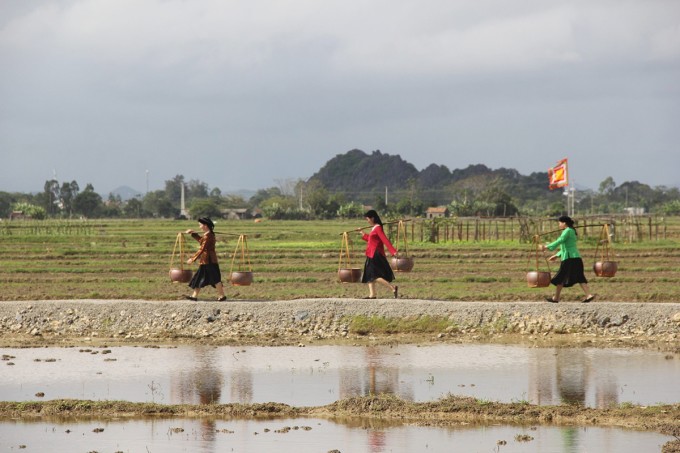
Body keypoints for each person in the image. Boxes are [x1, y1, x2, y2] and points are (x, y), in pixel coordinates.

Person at [541, 215, 595, 303]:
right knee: (578, 277)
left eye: (560, 223)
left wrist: (546, 247)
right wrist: (557, 255)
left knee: (561, 277)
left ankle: (556, 298)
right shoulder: (571, 230)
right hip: (575, 257)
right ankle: (588, 295)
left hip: (569, 258)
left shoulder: (567, 231)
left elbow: (560, 240)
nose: (559, 225)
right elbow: (566, 247)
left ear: (564, 223)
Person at [357, 210, 399, 299]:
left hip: (375, 254)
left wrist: (393, 251)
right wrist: (362, 233)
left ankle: (392, 288)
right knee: (369, 274)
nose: (367, 221)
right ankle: (372, 294)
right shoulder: (374, 228)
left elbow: (385, 240)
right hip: (371, 253)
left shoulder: (378, 228)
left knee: (373, 275)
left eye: (367, 219)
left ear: (372, 218)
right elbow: (371, 240)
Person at [184, 217, 227, 301]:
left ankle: (222, 296)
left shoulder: (208, 236)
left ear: (205, 225)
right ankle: (194, 296)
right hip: (206, 259)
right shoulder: (208, 235)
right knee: (200, 277)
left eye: (200, 225)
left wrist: (192, 259)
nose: (199, 227)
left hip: (209, 260)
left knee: (215, 278)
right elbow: (201, 241)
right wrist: (194, 234)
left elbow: (202, 248)